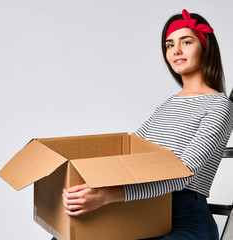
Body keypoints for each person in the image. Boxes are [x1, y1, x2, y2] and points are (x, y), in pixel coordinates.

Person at [53, 9, 233, 240]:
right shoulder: (168, 105)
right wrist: (88, 183)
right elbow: (131, 154)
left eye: (186, 42)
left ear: (205, 47)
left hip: (186, 216)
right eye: (169, 45)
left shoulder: (219, 106)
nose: (176, 50)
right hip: (143, 210)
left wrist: (108, 196)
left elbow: (183, 174)